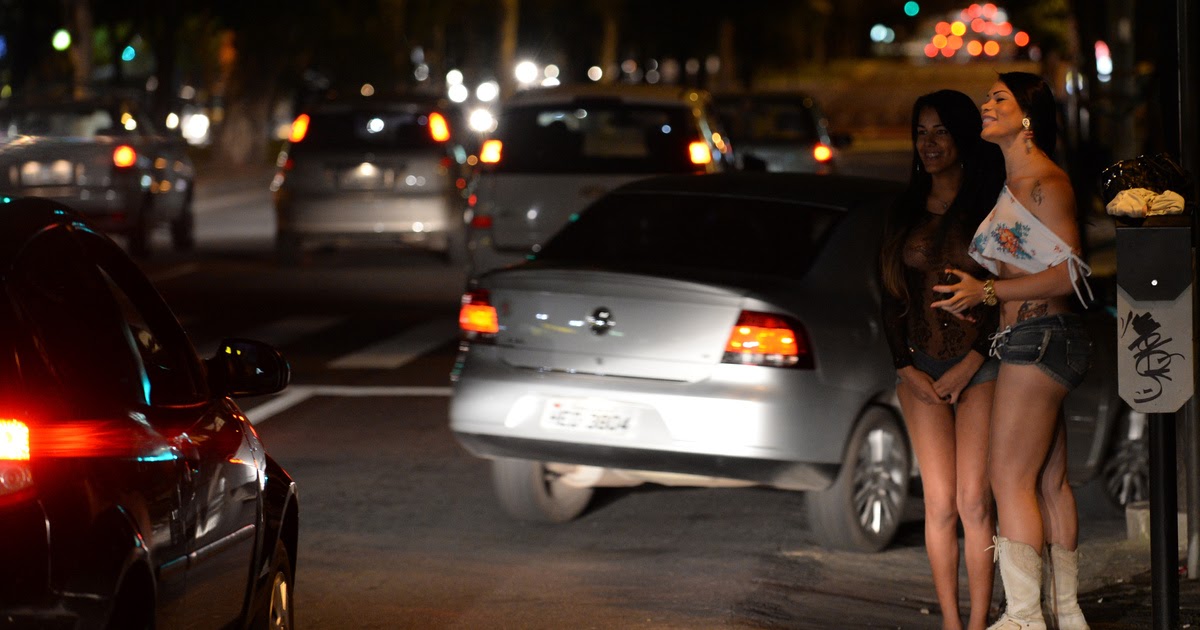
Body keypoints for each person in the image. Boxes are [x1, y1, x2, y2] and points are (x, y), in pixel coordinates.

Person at [932, 72, 1094, 630]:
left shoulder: (1045, 182)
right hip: (1037, 338)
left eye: (999, 97)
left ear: (1027, 117)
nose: (985, 103)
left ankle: (1024, 617)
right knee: (1047, 480)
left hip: (1038, 338)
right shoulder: (1018, 180)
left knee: (1009, 481)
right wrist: (976, 290)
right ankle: (1065, 613)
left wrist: (990, 291)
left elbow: (1069, 275)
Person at [879, 89, 1005, 630]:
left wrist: (973, 360)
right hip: (919, 366)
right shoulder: (903, 209)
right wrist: (903, 364)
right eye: (921, 133)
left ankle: (979, 621)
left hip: (981, 365)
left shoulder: (990, 207)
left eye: (940, 133)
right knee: (940, 503)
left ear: (961, 139)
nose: (929, 144)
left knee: (975, 500)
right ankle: (951, 624)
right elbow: (887, 294)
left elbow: (1008, 291)